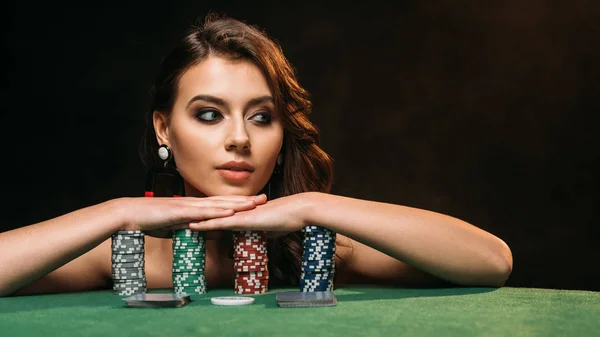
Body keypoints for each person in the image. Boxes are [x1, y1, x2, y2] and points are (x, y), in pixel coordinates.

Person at [0, 13, 512, 297]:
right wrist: (118, 212)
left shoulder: (314, 250)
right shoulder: (126, 253)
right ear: (164, 127)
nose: (240, 138)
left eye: (262, 116)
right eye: (208, 114)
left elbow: (491, 262)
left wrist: (315, 206)